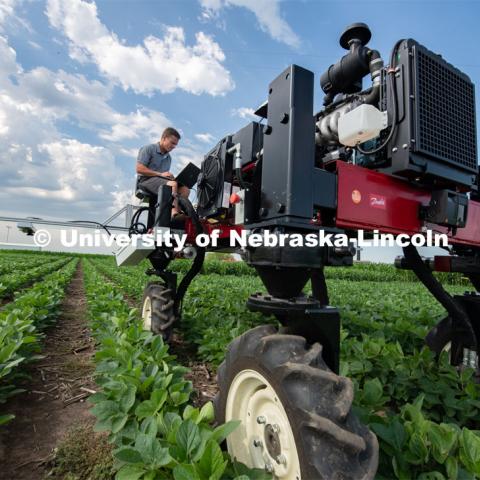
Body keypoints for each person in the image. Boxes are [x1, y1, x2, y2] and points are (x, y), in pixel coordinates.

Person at [136, 127, 189, 216]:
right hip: (145, 181)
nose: (174, 147)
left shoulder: (169, 158)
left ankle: (179, 213)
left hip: (159, 181)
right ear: (164, 138)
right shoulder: (148, 149)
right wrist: (160, 174)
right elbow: (139, 169)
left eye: (175, 145)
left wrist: (169, 177)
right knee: (173, 184)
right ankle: (173, 213)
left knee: (185, 189)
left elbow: (164, 178)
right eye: (172, 143)